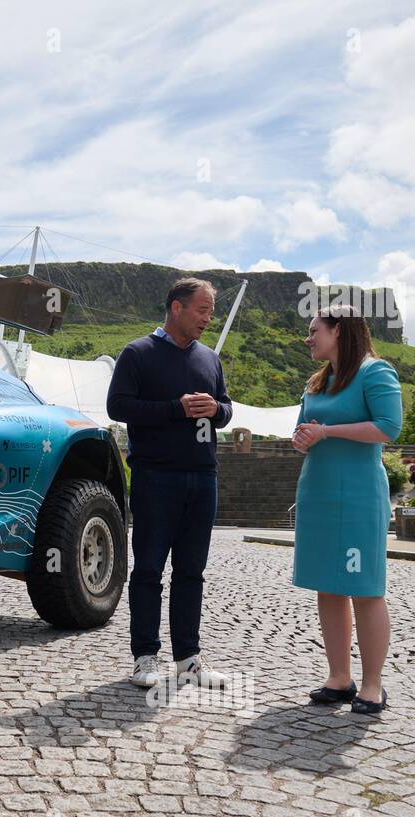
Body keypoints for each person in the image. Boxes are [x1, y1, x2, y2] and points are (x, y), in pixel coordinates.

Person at [106, 277, 233, 690]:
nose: (207, 319)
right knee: (148, 570)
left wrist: (217, 409)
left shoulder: (210, 360)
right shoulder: (138, 353)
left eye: (211, 312)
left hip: (203, 476)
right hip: (155, 476)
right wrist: (173, 410)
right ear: (176, 308)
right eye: (202, 310)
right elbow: (118, 406)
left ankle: (189, 661)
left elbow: (227, 410)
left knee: (191, 571)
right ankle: (145, 657)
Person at [291, 305, 403, 715]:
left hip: (356, 498)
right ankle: (339, 677)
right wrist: (302, 439)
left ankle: (373, 686)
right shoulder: (318, 381)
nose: (309, 337)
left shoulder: (376, 372)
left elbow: (389, 427)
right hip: (317, 493)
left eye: (314, 330)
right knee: (328, 585)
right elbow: (306, 428)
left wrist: (327, 432)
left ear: (339, 330)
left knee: (365, 588)